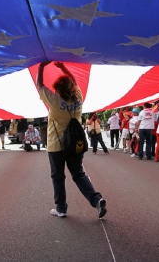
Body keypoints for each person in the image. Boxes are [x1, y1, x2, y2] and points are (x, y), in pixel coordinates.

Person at [37, 61, 107, 219]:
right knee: (79, 174)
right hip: (75, 145)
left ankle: (61, 208)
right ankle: (96, 200)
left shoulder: (54, 100)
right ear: (72, 88)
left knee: (58, 176)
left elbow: (39, 84)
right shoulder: (79, 99)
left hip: (57, 144)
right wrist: (62, 67)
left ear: (57, 88)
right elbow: (75, 81)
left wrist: (41, 67)